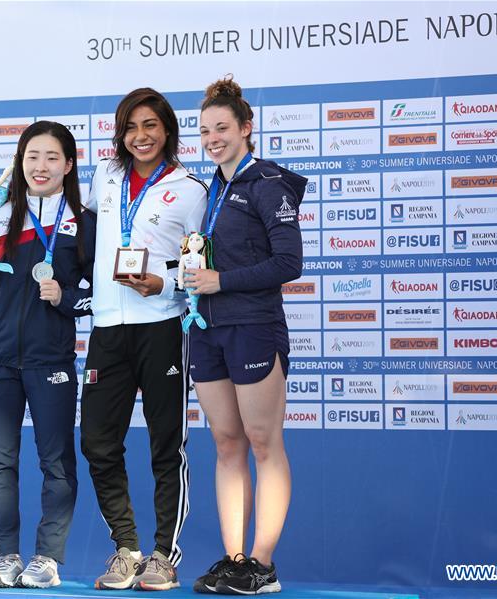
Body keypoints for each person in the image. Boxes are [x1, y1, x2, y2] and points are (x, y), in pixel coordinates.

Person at [0, 121, 95, 589]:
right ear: (20, 162)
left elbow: (98, 294)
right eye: (32, 156)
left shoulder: (85, 222)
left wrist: (65, 296)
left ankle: (48, 558)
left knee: (56, 462)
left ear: (69, 165)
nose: (41, 166)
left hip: (50, 359)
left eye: (52, 157)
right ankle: (6, 557)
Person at [184, 76, 307, 595]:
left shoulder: (268, 183)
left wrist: (222, 280)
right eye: (205, 130)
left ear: (246, 129)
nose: (213, 138)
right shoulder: (208, 187)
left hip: (253, 328)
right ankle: (235, 558)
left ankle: (263, 564)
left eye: (222, 128)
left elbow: (289, 262)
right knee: (226, 442)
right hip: (206, 330)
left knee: (262, 441)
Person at [81, 87, 208, 591]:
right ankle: (127, 548)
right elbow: (77, 230)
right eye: (131, 127)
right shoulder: (104, 178)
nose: (141, 136)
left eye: (150, 125)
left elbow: (200, 260)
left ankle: (163, 555)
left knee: (165, 446)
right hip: (108, 327)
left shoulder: (192, 188)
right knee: (97, 441)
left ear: (168, 131)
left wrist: (165, 282)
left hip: (162, 325)